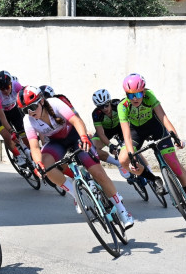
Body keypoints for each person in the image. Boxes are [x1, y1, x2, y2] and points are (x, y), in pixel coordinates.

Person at [17, 86, 135, 229]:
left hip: (74, 136)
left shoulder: (54, 103)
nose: (30, 112)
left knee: (98, 173)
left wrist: (84, 137)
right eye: (25, 110)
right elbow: (34, 146)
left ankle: (122, 210)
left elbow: (76, 120)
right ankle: (75, 194)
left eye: (33, 107)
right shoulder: (28, 120)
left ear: (41, 101)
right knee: (45, 165)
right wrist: (38, 164)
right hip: (56, 143)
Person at [117, 73, 186, 219]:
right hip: (136, 132)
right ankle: (153, 179)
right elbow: (126, 135)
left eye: (138, 93)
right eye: (130, 95)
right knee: (123, 160)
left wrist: (176, 137)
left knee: (173, 163)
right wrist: (132, 157)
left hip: (155, 127)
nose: (135, 98)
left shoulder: (149, 96)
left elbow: (163, 117)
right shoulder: (123, 106)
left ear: (144, 91)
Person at [89, 89, 133, 180]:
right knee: (92, 149)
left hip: (120, 127)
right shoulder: (96, 114)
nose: (105, 108)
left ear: (110, 102)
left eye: (106, 105)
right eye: (101, 107)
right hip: (106, 132)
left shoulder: (117, 104)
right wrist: (110, 145)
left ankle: (148, 170)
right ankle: (118, 164)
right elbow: (100, 133)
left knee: (132, 145)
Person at [0, 71, 29, 167]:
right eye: (2, 89)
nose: (5, 91)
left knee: (24, 134)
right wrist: (11, 131)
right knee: (8, 136)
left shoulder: (16, 86)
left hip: (13, 110)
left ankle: (31, 154)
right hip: (0, 115)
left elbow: (25, 102)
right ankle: (17, 156)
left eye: (7, 87)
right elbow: (3, 118)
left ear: (11, 84)